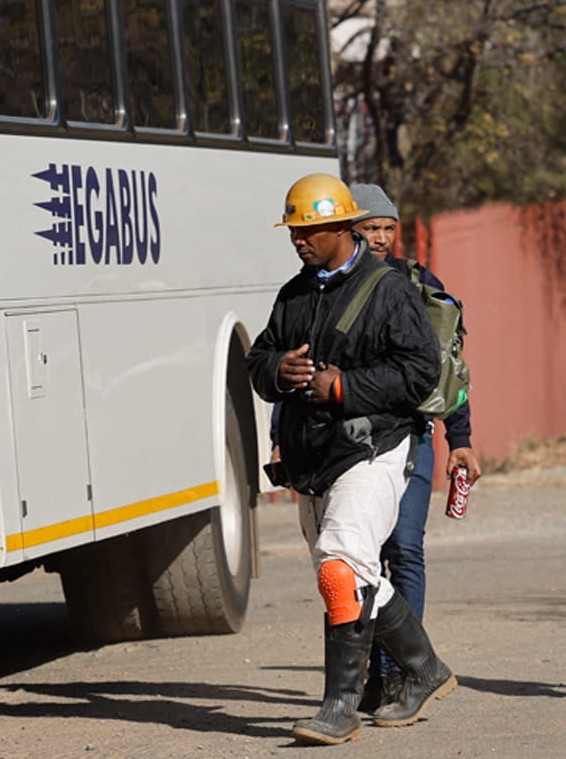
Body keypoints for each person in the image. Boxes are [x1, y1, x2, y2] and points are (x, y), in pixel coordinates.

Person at [247, 173, 456, 745]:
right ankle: (425, 667)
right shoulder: (293, 292)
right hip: (312, 458)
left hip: (374, 450)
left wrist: (345, 389)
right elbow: (258, 360)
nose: (299, 241)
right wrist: (277, 369)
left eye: (308, 230)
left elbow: (420, 372)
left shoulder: (389, 291)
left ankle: (340, 707)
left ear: (341, 227)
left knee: (341, 568)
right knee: (348, 572)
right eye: (294, 232)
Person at [345, 183, 480, 713]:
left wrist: (461, 438)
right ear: (349, 232)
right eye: (369, 229)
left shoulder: (419, 283)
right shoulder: (331, 288)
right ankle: (369, 678)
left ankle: (404, 675)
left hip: (415, 435)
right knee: (361, 557)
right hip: (353, 440)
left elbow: (450, 367)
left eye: (386, 228)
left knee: (404, 550)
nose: (379, 238)